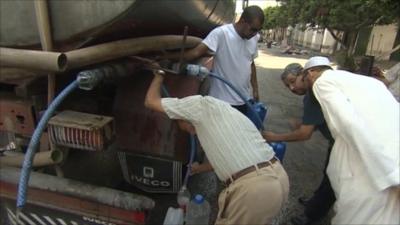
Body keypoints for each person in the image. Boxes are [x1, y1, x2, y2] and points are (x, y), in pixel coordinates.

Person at [144, 68, 289, 225]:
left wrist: (159, 74)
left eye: (183, 127)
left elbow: (150, 101)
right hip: (278, 180)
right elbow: (231, 158)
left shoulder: (198, 106)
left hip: (254, 190)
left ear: (182, 115)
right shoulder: (231, 116)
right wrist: (200, 168)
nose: (191, 133)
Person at [297, 56, 399, 224]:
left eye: (303, 79)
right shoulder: (371, 82)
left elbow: (350, 124)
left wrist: (393, 177)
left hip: (376, 168)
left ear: (311, 73)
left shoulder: (322, 83)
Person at [262, 63, 335, 225]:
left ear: (305, 74)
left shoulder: (313, 94)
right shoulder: (313, 93)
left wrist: (275, 137)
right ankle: (316, 201)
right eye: (288, 86)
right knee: (329, 172)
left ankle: (311, 215)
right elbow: (318, 120)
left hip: (346, 143)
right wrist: (305, 124)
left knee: (333, 179)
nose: (292, 88)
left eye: (293, 81)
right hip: (338, 141)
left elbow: (304, 134)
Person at [168, 5, 264, 114]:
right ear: (242, 21)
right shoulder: (221, 33)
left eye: (258, 30)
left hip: (243, 100)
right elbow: (195, 53)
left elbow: (251, 64)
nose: (255, 34)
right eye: (253, 29)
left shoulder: (253, 38)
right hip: (221, 102)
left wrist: (255, 89)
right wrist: (165, 57)